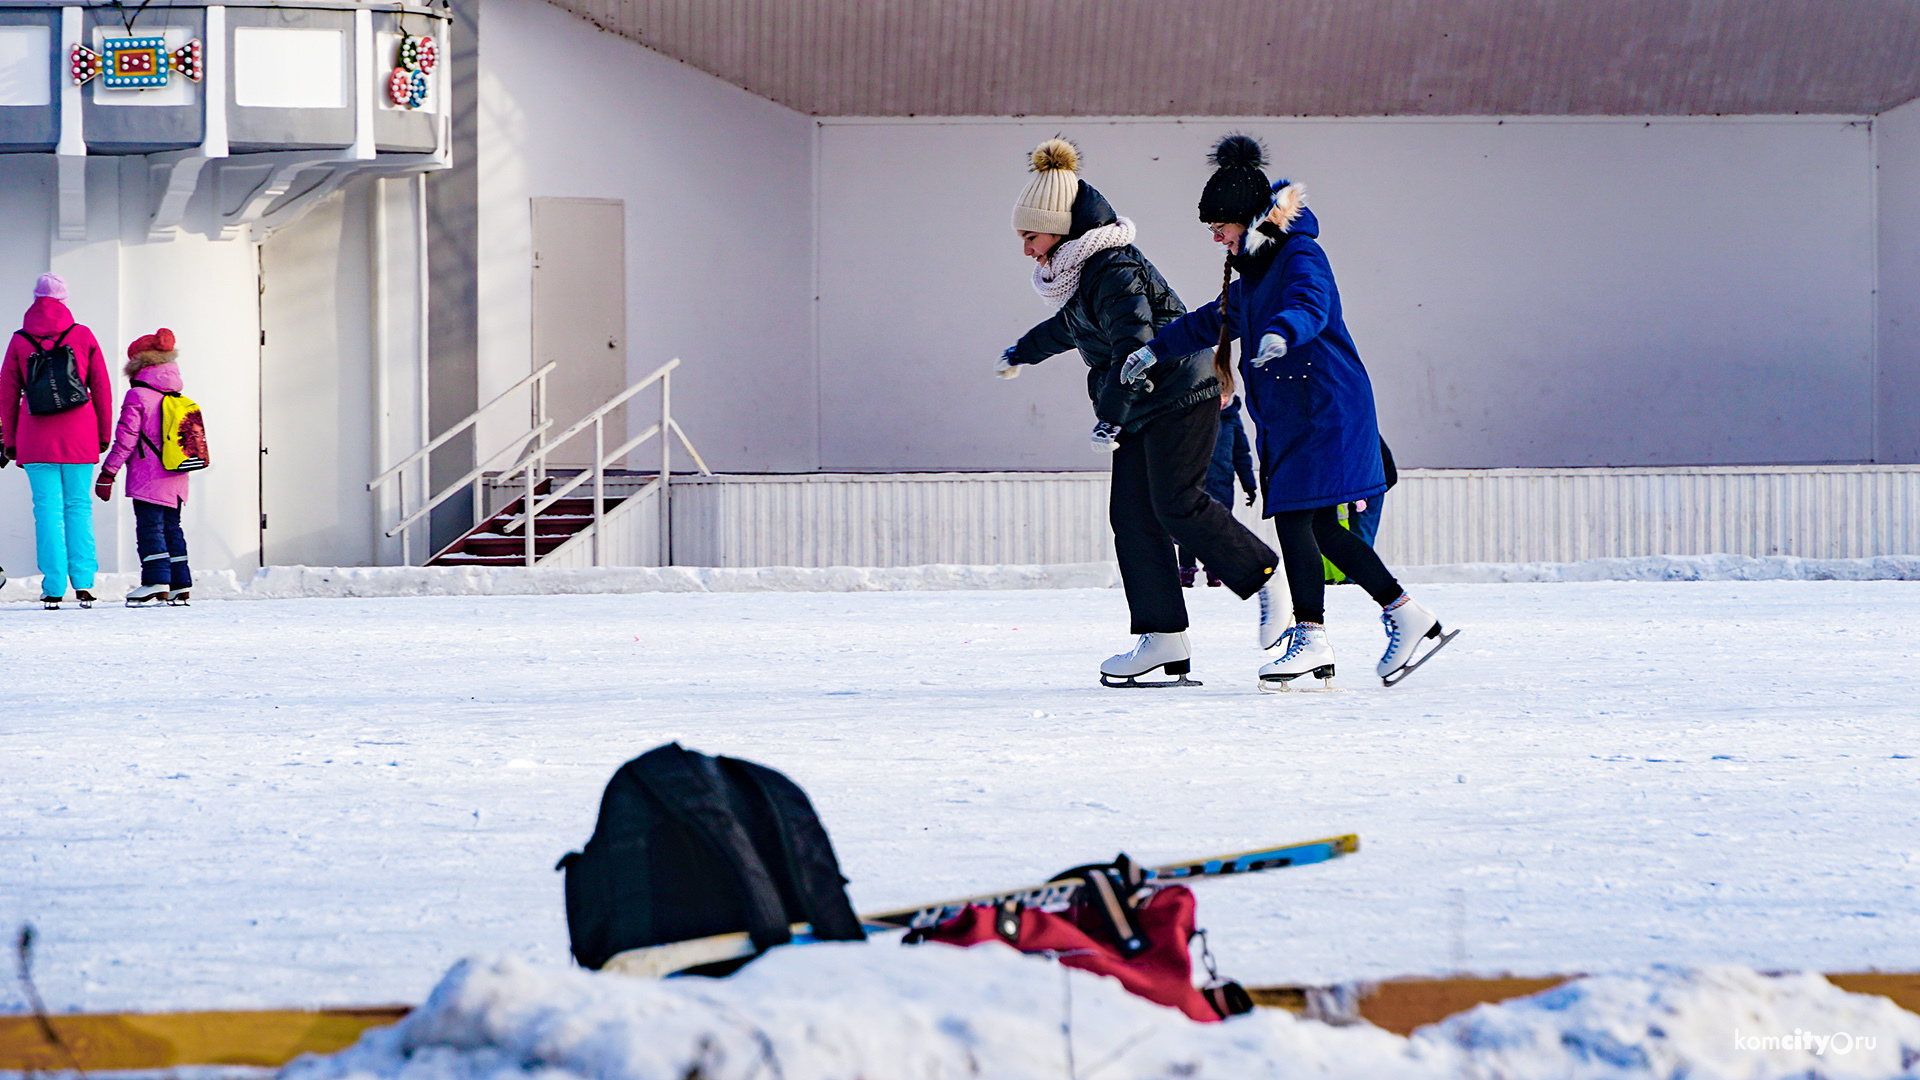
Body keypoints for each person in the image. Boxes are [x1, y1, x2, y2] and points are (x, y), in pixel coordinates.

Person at [1123, 135, 1455, 688]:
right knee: (1321, 526)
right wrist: (1154, 349)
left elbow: (1310, 304)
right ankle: (1406, 615)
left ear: (1244, 217)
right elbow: (1213, 320)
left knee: (1299, 519)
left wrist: (1282, 332)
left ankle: (1313, 637)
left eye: (1219, 225)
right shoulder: (1252, 273)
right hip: (1293, 413)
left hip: (1324, 407)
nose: (1214, 236)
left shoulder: (1300, 254)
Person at [998, 137, 1277, 687]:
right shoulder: (1081, 278)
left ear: (1059, 227)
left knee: (1176, 505)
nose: (1027, 249)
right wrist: (1021, 353)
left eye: (1030, 236)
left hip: (1179, 395)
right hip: (1142, 407)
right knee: (1131, 517)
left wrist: (1110, 414)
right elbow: (1068, 330)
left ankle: (1268, 579)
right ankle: (1163, 637)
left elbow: (1134, 344)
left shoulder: (1113, 268)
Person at [0, 273, 112, 609]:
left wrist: (10, 438)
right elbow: (101, 386)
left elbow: (6, 393)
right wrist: (103, 435)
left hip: (36, 438)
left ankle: (52, 587)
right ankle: (85, 583)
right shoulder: (82, 335)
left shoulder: (20, 340)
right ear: (65, 301)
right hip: (79, 435)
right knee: (79, 507)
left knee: (47, 511)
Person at [97, 328, 194, 606]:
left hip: (148, 477)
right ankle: (180, 584)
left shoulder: (138, 396)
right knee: (172, 527)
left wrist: (108, 473)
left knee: (150, 529)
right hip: (177, 474)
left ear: (137, 365)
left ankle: (155, 581)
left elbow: (125, 441)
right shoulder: (177, 395)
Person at [1179, 391, 1258, 587]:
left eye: (1225, 393)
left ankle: (1214, 569)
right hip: (1193, 481)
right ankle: (1186, 569)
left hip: (1221, 483)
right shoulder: (1193, 413)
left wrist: (1249, 484)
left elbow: (1241, 453)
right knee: (1188, 527)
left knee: (1216, 527)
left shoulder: (1231, 419)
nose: (1220, 398)